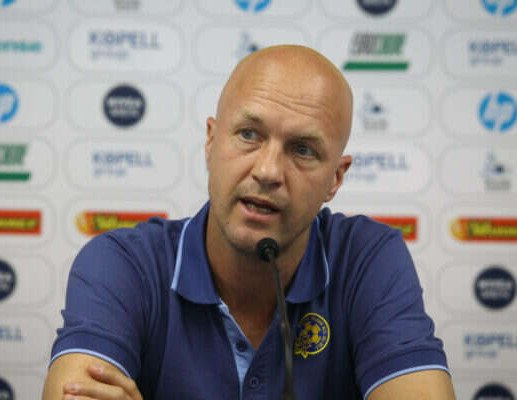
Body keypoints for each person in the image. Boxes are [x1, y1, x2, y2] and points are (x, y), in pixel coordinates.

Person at [43, 45, 456, 399]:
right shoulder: (123, 264)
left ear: (335, 178)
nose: (268, 171)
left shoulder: (368, 260)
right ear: (210, 140)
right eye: (248, 134)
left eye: (303, 149)